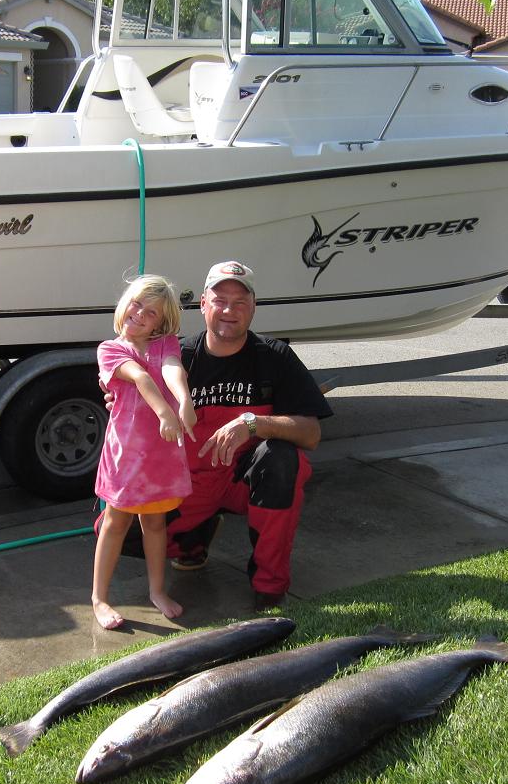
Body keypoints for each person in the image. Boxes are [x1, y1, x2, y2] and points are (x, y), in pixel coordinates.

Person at [169, 260, 332, 607]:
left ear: (254, 307)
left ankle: (269, 587)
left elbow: (311, 433)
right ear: (202, 304)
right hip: (192, 483)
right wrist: (112, 391)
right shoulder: (178, 357)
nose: (230, 310)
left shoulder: (275, 357)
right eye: (220, 300)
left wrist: (254, 423)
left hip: (246, 481)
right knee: (118, 530)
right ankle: (194, 538)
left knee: (283, 460)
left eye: (241, 302)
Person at [90, 274, 197, 631]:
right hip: (126, 456)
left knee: (155, 523)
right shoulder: (111, 349)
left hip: (160, 456)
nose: (140, 315)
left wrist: (184, 400)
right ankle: (99, 598)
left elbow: (171, 370)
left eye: (151, 313)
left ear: (161, 321)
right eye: (137, 304)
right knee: (114, 523)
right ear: (125, 303)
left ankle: (156, 590)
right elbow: (140, 378)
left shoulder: (166, 343)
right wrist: (166, 413)